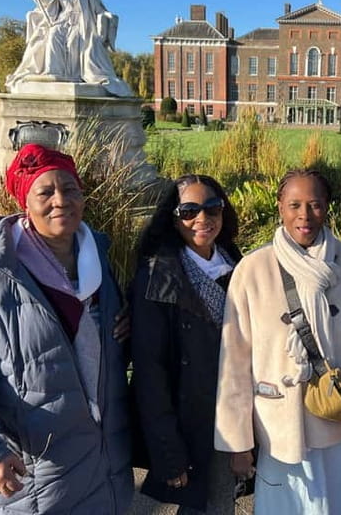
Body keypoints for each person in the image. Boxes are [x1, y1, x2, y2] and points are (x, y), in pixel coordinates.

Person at [0, 143, 133, 514]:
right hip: (38, 480)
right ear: (25, 200)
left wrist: (132, 325)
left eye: (70, 189)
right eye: (46, 191)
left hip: (107, 472)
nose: (61, 200)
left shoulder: (99, 262)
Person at [214, 169, 341, 514]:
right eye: (295, 204)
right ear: (280, 206)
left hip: (335, 427)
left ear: (327, 207)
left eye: (314, 205)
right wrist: (237, 442)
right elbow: (235, 361)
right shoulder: (253, 270)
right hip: (276, 427)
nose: (304, 215)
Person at [129, 174, 243, 514]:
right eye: (189, 210)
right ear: (172, 217)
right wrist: (168, 453)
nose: (202, 219)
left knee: (221, 503)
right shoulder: (158, 275)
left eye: (212, 208)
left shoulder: (233, 261)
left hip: (230, 413)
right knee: (201, 506)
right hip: (190, 422)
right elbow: (151, 372)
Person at [6, 0, 132, 97]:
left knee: (76, 39)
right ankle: (52, 73)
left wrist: (109, 16)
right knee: (53, 35)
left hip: (81, 25)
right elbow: (41, 3)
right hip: (61, 22)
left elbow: (100, 10)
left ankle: (74, 75)